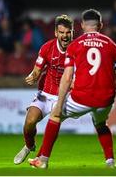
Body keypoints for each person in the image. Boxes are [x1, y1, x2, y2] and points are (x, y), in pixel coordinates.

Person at [29, 9, 116, 169]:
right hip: (105, 99)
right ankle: (110, 161)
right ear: (100, 25)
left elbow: (67, 78)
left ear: (81, 26)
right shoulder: (113, 46)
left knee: (55, 115)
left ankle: (43, 160)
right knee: (101, 124)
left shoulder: (75, 46)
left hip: (82, 97)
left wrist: (59, 104)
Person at [13, 14, 74, 165]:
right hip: (45, 94)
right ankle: (29, 145)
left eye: (68, 32)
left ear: (72, 32)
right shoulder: (47, 48)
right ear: (56, 33)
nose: (65, 36)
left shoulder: (78, 50)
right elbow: (37, 70)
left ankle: (40, 158)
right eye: (62, 32)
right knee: (29, 122)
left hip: (65, 97)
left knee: (52, 126)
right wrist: (33, 77)